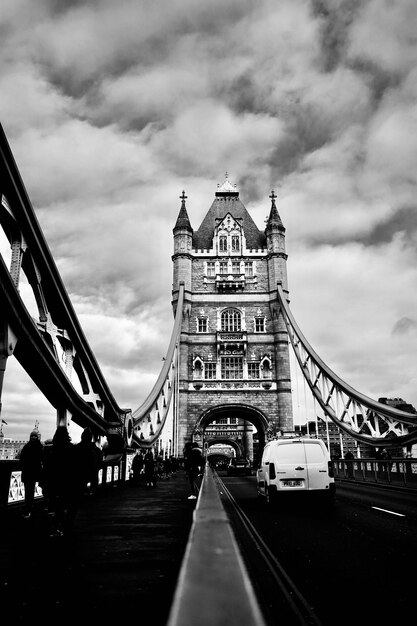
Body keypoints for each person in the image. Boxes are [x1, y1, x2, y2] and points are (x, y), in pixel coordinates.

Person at [42, 425, 77, 537]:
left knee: (55, 504)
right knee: (65, 503)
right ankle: (65, 526)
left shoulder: (50, 450)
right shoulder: (72, 449)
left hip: (54, 481)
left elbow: (46, 467)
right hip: (67, 481)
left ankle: (56, 526)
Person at [19, 429, 44, 518]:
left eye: (35, 436)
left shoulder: (28, 447)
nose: (33, 437)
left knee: (29, 490)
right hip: (32, 472)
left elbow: (21, 459)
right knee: (30, 490)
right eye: (32, 436)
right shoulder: (39, 447)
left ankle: (28, 507)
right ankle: (31, 506)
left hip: (30, 472)